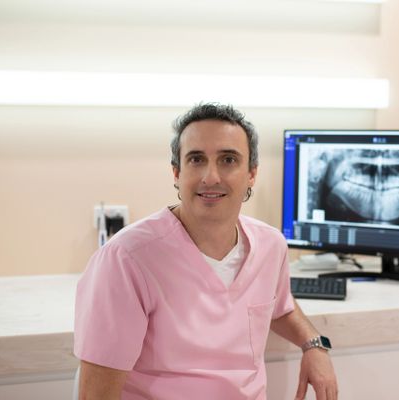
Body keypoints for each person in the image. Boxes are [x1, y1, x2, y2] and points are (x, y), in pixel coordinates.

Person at [74, 103, 338, 400]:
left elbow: (280, 307)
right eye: (196, 159)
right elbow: (94, 396)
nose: (211, 177)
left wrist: (314, 345)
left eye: (228, 159)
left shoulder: (270, 245)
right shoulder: (126, 259)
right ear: (176, 172)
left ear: (251, 174)